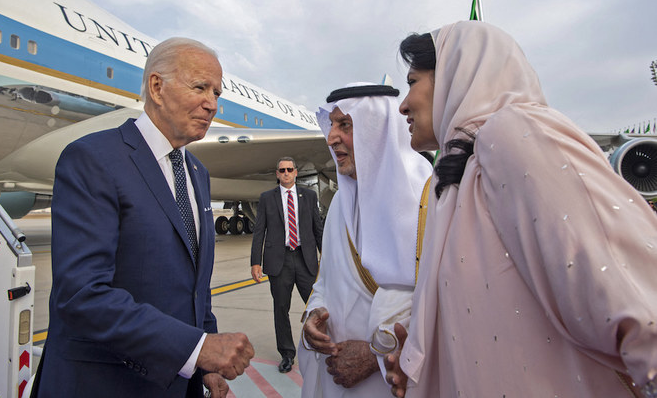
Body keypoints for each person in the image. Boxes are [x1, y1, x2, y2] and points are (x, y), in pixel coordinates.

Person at [385, 20, 657, 398]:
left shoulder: (513, 132)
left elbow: (626, 291)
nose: (402, 104)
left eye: (413, 82)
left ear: (453, 75)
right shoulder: (457, 178)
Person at [36, 38, 254, 398]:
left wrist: (205, 365)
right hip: (106, 385)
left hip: (177, 382)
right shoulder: (94, 159)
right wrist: (197, 349)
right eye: (200, 87)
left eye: (217, 92)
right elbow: (81, 295)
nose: (212, 103)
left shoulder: (196, 172)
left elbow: (195, 288)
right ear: (157, 87)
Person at [298, 83, 432, 397]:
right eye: (331, 125)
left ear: (376, 131)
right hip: (336, 376)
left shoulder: (426, 196)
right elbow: (325, 282)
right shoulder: (338, 205)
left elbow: (441, 298)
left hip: (393, 379)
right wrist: (314, 316)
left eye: (345, 125)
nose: (331, 137)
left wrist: (373, 355)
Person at [250, 157, 324, 373]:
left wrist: (327, 257)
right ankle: (287, 354)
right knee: (281, 309)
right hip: (278, 261)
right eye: (282, 170)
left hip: (305, 259)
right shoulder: (266, 198)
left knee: (316, 306)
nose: (286, 173)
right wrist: (256, 262)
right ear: (277, 173)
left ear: (296, 172)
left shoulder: (309, 196)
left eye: (289, 169)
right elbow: (259, 232)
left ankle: (322, 347)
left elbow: (318, 230)